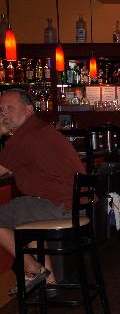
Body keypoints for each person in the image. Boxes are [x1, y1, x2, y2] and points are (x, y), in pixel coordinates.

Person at [0, 88, 85, 285]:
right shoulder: (39, 128)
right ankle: (49, 282)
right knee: (26, 211)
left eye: (11, 108)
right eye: (1, 109)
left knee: (24, 209)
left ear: (29, 109)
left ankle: (33, 269)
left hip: (58, 206)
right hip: (73, 204)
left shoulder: (24, 137)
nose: (4, 113)